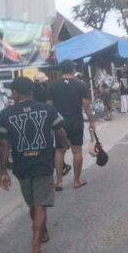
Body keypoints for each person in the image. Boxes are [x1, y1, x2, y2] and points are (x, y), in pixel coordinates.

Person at [0, 77, 70, 253]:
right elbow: (60, 130)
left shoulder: (5, 114)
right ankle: (36, 251)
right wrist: (65, 143)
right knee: (40, 205)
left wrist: (3, 171)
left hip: (21, 166)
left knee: (34, 204)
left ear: (16, 93)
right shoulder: (47, 109)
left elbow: (4, 145)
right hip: (43, 163)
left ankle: (42, 234)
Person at [47, 59, 95, 190]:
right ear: (73, 70)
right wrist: (91, 121)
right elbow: (86, 105)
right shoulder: (80, 85)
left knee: (59, 151)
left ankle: (59, 182)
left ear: (61, 70)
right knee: (77, 151)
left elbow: (49, 106)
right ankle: (76, 181)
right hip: (76, 122)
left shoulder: (53, 85)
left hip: (59, 124)